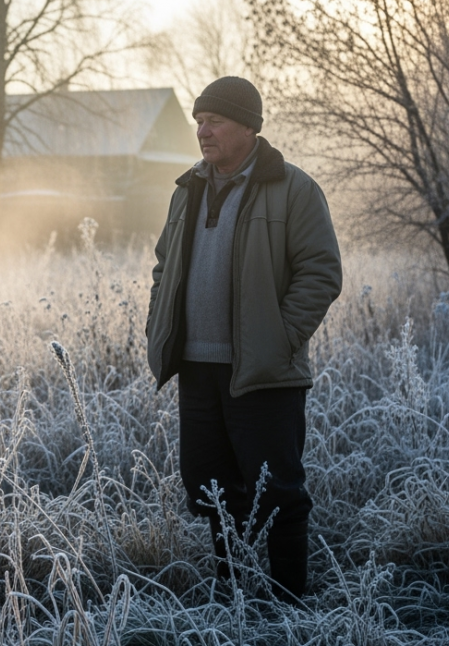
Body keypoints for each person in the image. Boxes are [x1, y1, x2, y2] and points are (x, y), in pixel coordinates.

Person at [145, 76, 342, 600]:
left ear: (249, 128)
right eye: (199, 122)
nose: (202, 132)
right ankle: (231, 597)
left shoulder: (294, 188)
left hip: (263, 371)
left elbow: (321, 272)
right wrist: (158, 325)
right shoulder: (187, 190)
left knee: (278, 492)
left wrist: (280, 339)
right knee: (211, 489)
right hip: (196, 369)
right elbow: (164, 266)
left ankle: (289, 604)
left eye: (215, 121)